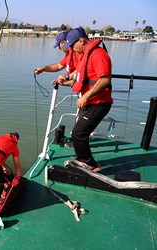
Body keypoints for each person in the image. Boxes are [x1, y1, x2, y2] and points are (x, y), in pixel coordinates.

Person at [57, 27, 113, 171]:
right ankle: (82, 160)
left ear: (81, 41)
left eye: (73, 45)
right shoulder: (85, 54)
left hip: (99, 103)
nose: (73, 50)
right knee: (78, 132)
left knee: (78, 133)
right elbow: (80, 75)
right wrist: (66, 78)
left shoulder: (98, 54)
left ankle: (91, 164)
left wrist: (86, 96)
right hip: (88, 102)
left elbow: (105, 80)